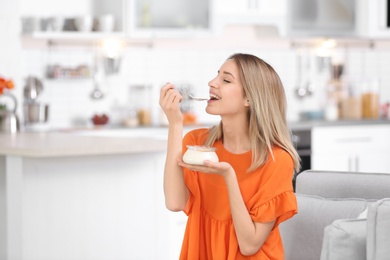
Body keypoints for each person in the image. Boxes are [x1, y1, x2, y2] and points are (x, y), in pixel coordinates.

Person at [159, 53, 300, 259]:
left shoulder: (276, 160)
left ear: (250, 98)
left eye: (226, 80)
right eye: (217, 76)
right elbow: (174, 202)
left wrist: (228, 175)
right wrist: (175, 124)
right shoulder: (199, 143)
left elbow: (249, 245)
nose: (211, 83)